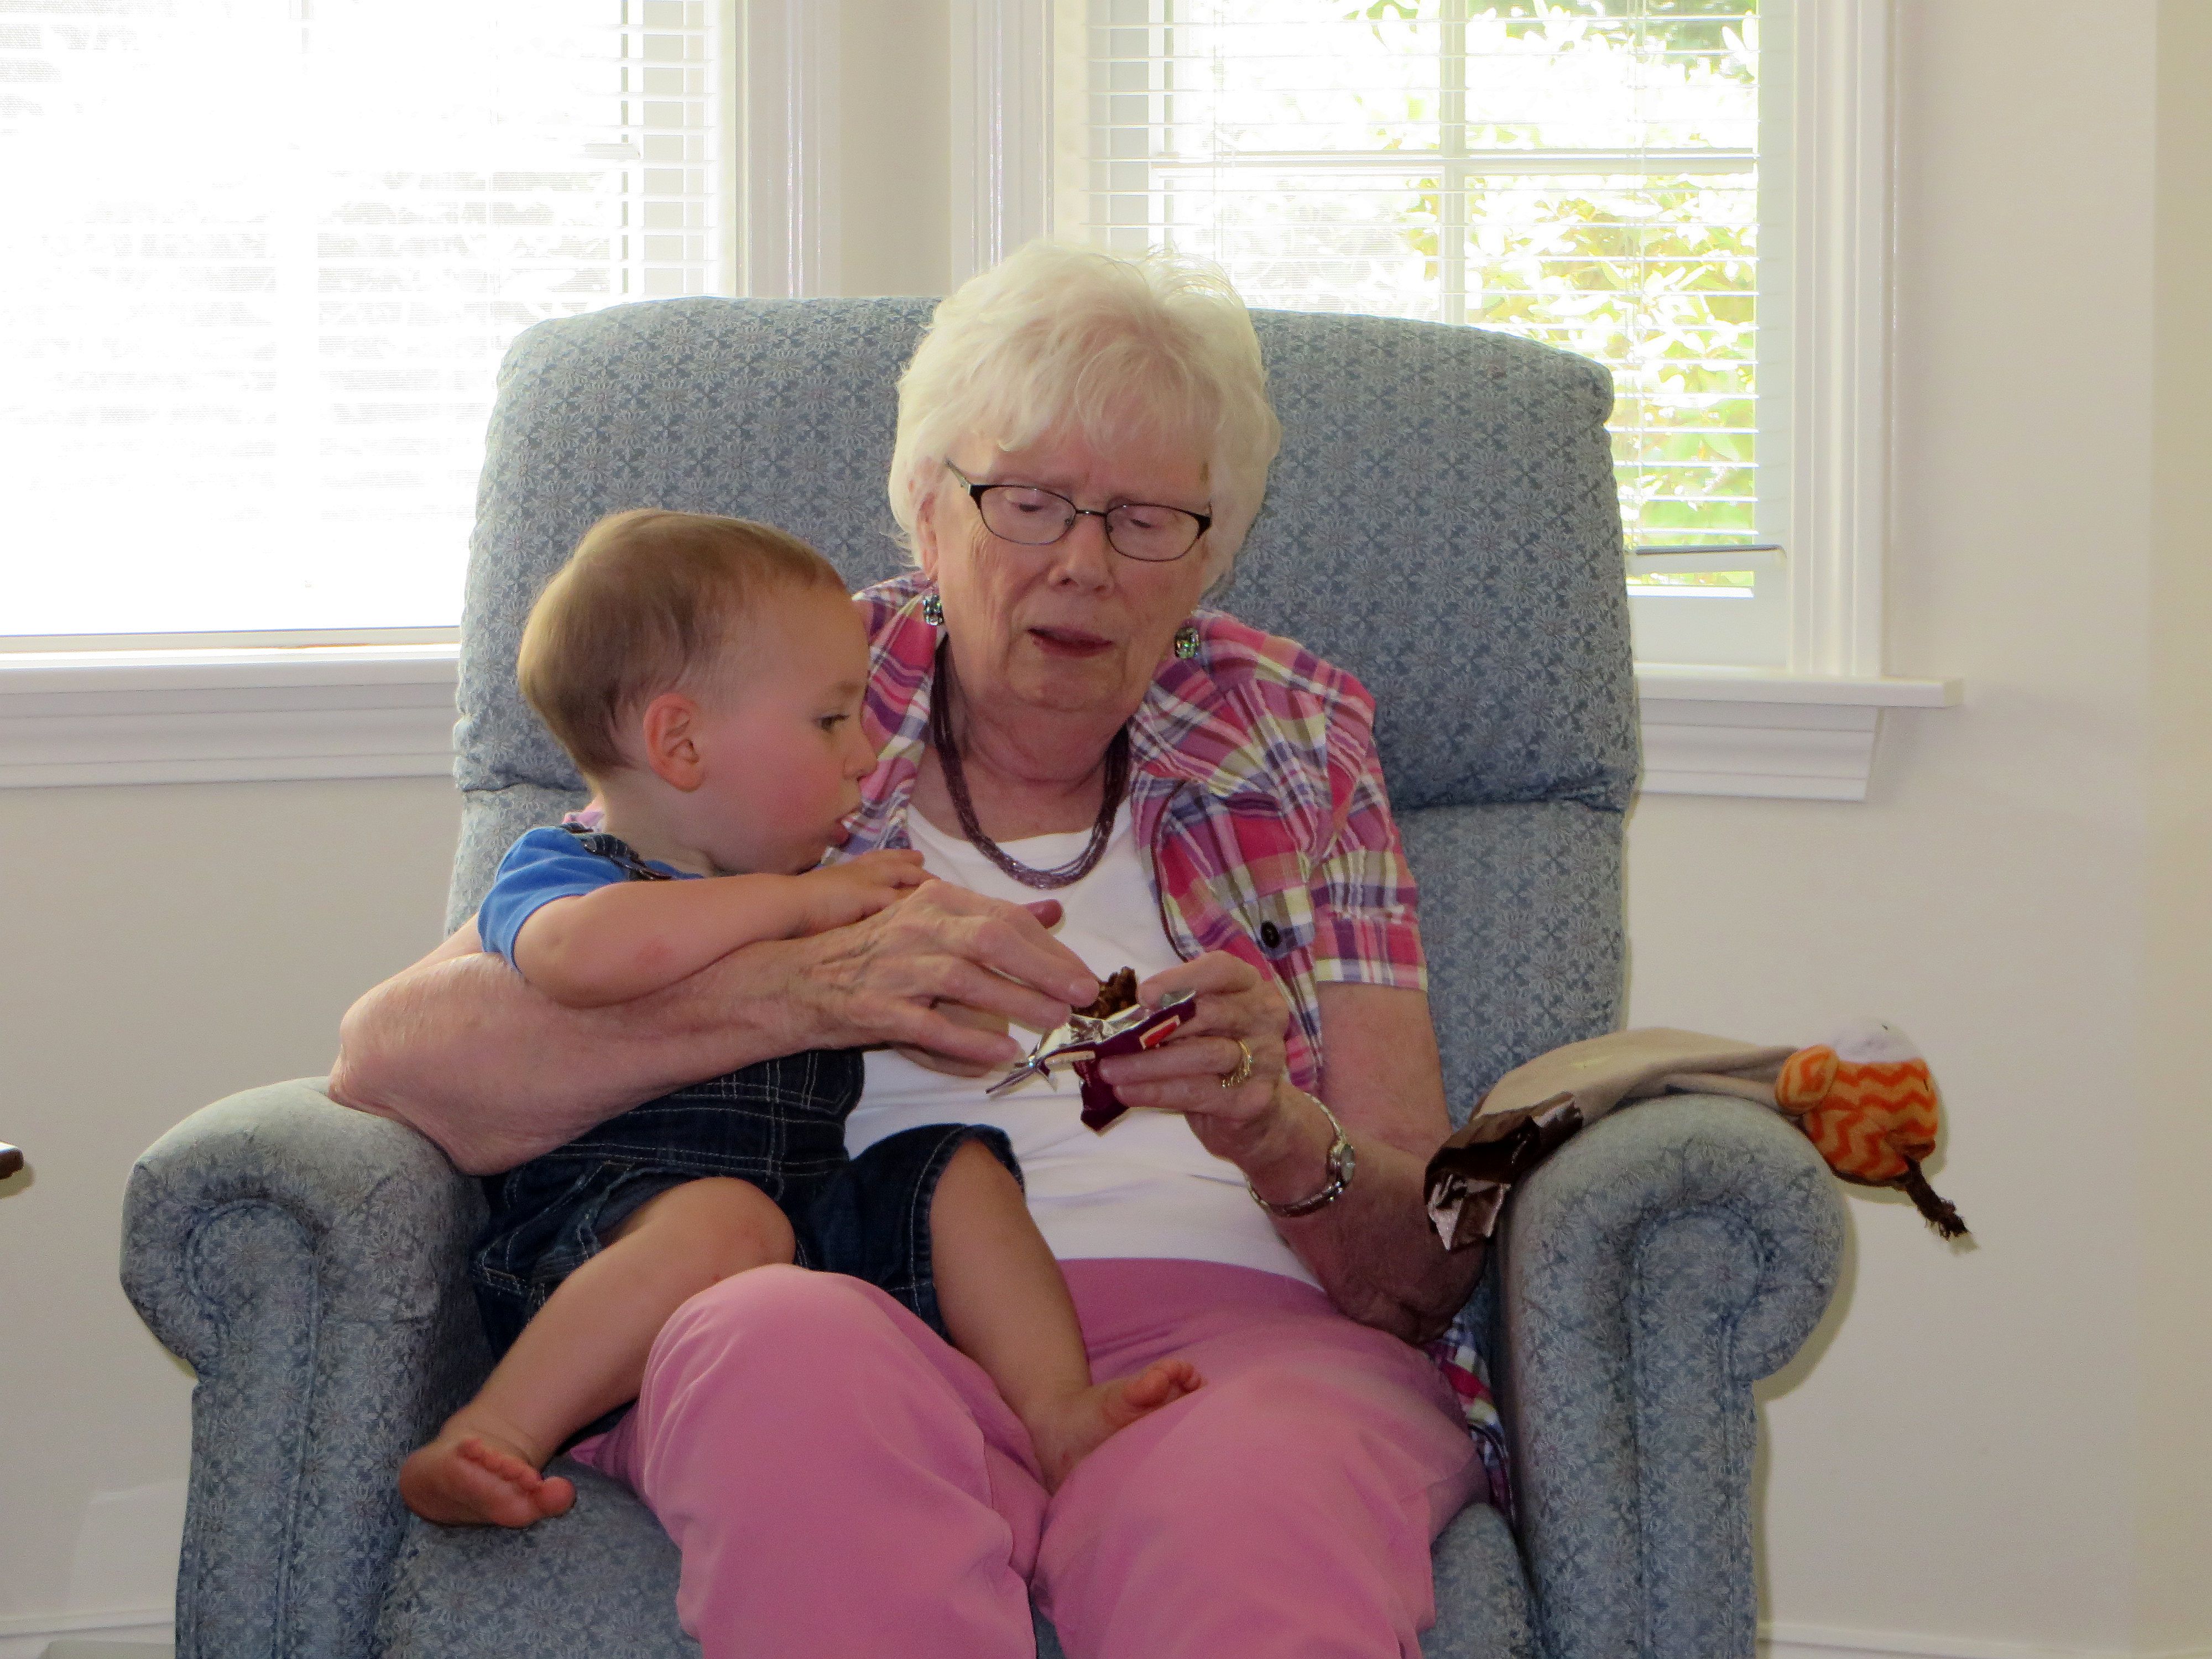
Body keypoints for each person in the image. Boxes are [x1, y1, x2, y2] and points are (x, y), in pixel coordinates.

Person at [334, 241, 1489, 1659]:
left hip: (1236, 1341)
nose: (1080, 561)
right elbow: (398, 1059)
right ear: (930, 513)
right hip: (861, 1296)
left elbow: (1426, 1259)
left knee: (1246, 1510)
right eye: (1027, 502)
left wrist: (1273, 1126)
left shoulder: (1295, 735)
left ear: (1208, 554)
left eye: (1145, 520)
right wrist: (802, 989)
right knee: (775, 1349)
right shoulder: (789, 695)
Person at [398, 509, 1201, 1528]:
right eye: (829, 721)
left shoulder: (809, 888)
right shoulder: (566, 868)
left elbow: (914, 1005)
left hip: (800, 1235)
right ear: (681, 743)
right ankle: (494, 1433)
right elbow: (584, 957)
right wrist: (798, 907)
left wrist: (1002, 985)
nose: (865, 754)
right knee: (728, 1220)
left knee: (959, 1169)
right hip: (608, 1234)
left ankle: (1057, 1414)